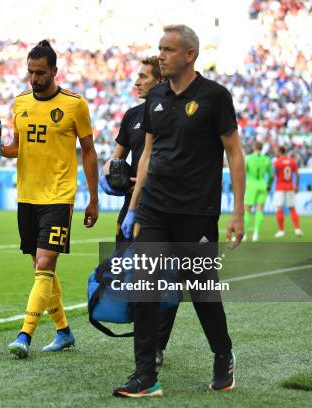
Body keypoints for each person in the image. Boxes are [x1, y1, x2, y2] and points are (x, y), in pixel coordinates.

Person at [118, 25, 245, 397]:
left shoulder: (215, 97)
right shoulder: (156, 96)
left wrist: (238, 213)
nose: (161, 55)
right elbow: (148, 155)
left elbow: (235, 153)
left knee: (202, 293)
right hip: (154, 210)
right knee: (145, 289)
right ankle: (145, 374)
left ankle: (223, 354)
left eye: (169, 50)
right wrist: (135, 206)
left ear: (189, 55)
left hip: (197, 213)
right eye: (159, 49)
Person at [0, 40, 99, 358]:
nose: (34, 79)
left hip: (59, 196)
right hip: (28, 195)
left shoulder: (75, 105)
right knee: (41, 267)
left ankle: (25, 335)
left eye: (40, 73)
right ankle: (63, 331)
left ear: (54, 71)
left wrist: (93, 199)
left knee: (46, 262)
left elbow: (89, 151)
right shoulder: (20, 103)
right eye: (30, 72)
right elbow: (17, 147)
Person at [99, 57, 175, 367]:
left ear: (159, 82)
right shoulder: (131, 117)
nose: (136, 82)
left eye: (142, 77)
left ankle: (156, 345)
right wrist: (110, 174)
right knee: (131, 278)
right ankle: (146, 341)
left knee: (164, 281)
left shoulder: (173, 114)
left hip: (163, 208)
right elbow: (116, 159)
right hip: (130, 208)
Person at [244, 141, 273, 241]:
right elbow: (272, 175)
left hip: (251, 185)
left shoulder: (248, 158)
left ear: (254, 147)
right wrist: (269, 185)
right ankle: (256, 233)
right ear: (262, 148)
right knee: (259, 209)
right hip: (262, 185)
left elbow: (244, 172)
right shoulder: (267, 159)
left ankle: (245, 234)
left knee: (247, 209)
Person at [273, 146, 302, 238]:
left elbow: (273, 175)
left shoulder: (277, 162)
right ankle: (297, 229)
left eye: (276, 151)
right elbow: (297, 175)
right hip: (290, 187)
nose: (275, 153)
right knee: (292, 208)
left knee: (279, 209)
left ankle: (281, 231)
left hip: (280, 188)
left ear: (279, 151)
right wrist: (296, 186)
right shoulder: (292, 161)